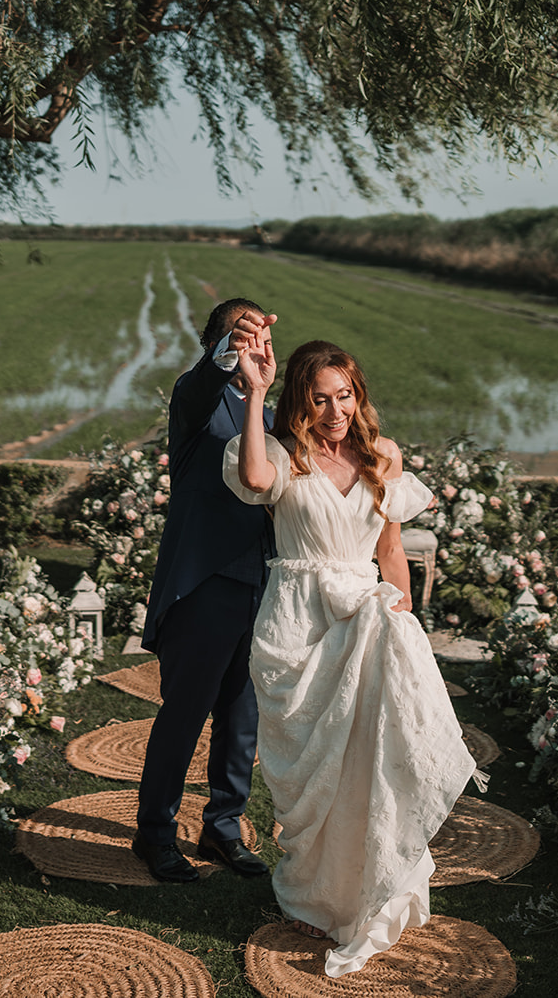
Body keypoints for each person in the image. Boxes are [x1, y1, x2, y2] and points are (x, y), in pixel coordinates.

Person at [224, 336, 479, 976]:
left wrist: (407, 616)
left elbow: (390, 548)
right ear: (300, 402)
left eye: (346, 396)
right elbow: (253, 481)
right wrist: (255, 391)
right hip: (296, 626)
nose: (337, 411)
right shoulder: (280, 454)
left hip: (368, 621)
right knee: (306, 775)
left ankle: (369, 892)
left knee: (372, 760)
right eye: (321, 398)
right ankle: (314, 893)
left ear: (358, 396)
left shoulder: (381, 459)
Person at [131, 298, 278, 883]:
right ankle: (154, 834)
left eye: (260, 338)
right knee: (185, 714)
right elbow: (200, 383)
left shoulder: (275, 412)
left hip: (264, 583)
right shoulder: (197, 401)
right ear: (216, 345)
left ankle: (223, 829)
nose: (253, 348)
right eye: (239, 337)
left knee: (243, 719)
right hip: (203, 583)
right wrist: (227, 355)